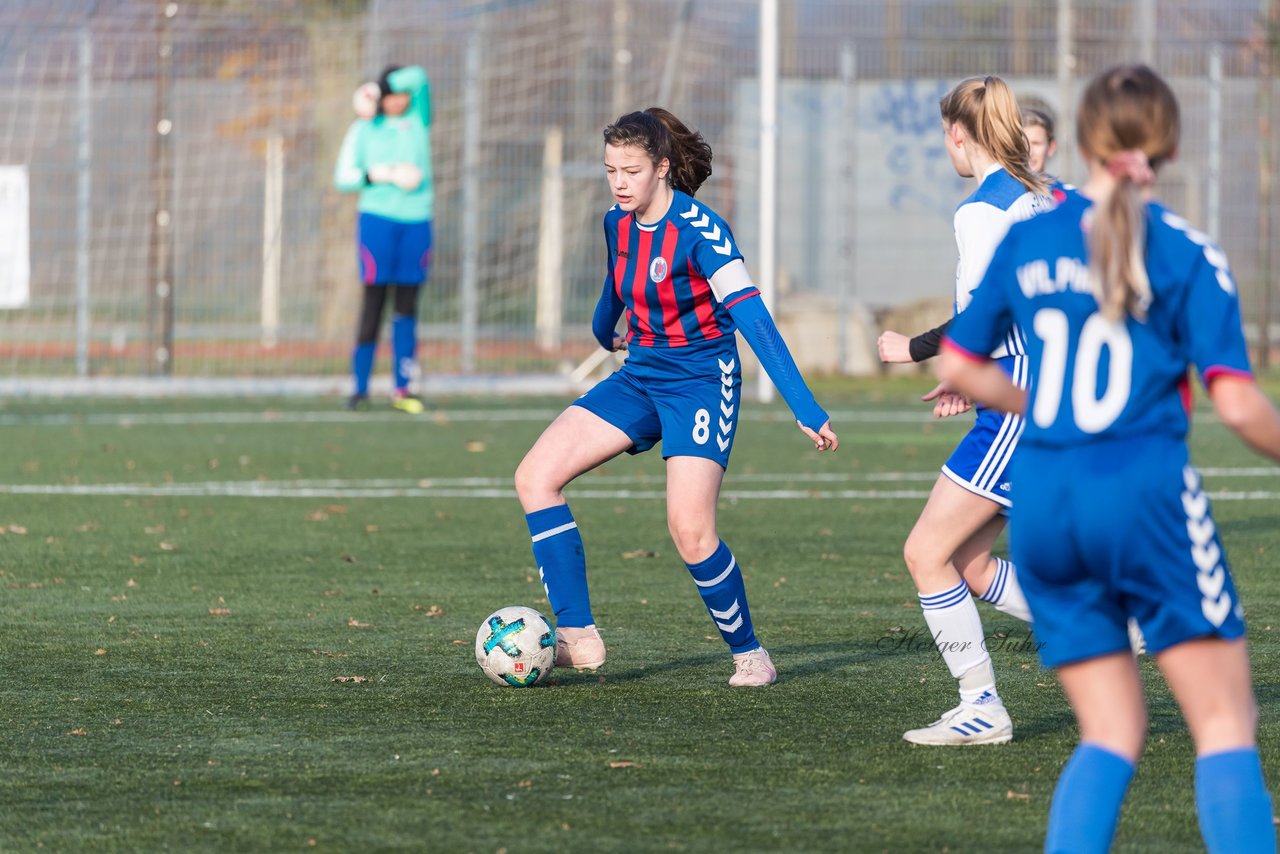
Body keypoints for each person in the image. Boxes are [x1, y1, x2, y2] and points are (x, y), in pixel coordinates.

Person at [939, 64, 1277, 852]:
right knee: (1225, 723)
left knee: (1111, 733)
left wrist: (1044, 402)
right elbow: (1237, 404)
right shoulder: (1187, 251)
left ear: (1080, 141)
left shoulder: (1029, 237)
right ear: (1169, 145)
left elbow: (958, 365)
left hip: (1048, 502)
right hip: (1142, 494)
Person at [513, 107, 839, 687]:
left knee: (690, 531)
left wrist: (805, 407)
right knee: (535, 476)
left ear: (662, 168)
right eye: (611, 168)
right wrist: (599, 334)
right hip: (641, 374)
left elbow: (755, 321)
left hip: (701, 383)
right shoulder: (616, 221)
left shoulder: (702, 232)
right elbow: (615, 287)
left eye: (631, 170)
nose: (618, 182)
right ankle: (577, 637)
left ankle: (749, 653)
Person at [879, 76, 1053, 745]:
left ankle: (981, 705)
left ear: (959, 134)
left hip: (1015, 402)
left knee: (925, 552)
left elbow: (988, 311)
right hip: (1029, 391)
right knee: (970, 564)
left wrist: (918, 350)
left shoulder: (981, 210)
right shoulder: (1039, 196)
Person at [333, 64, 434, 414]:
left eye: (399, 94)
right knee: (373, 303)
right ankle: (359, 387)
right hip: (377, 221)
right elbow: (344, 176)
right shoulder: (365, 127)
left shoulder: (418, 120)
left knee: (407, 306)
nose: (397, 100)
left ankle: (403, 388)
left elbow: (418, 78)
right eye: (389, 96)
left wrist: (380, 85)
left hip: (417, 222)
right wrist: (383, 175)